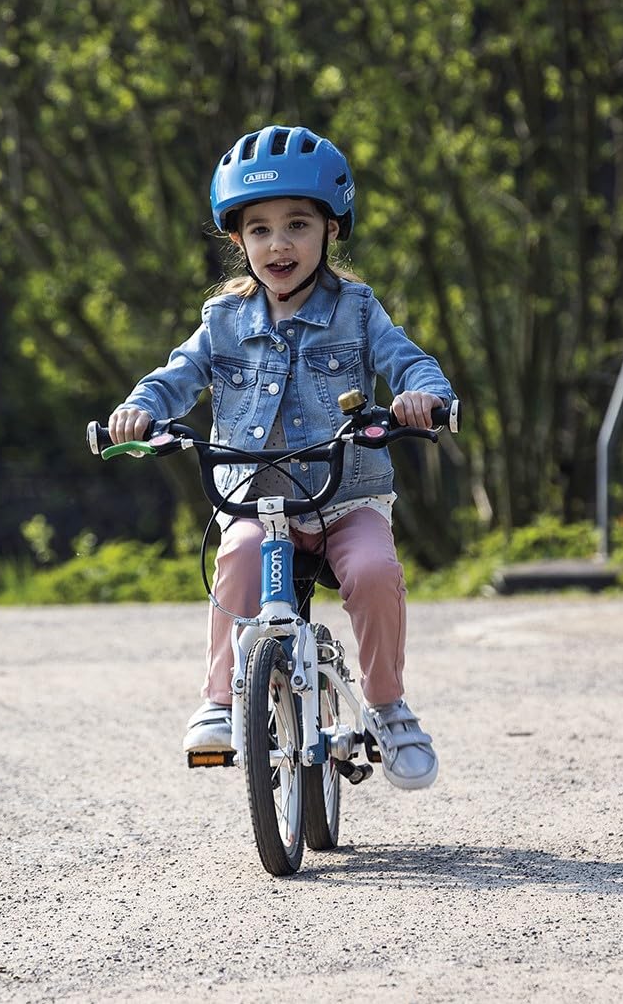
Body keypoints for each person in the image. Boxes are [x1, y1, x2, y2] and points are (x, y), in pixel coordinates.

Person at [107, 124, 455, 791]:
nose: (279, 243)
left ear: (331, 230)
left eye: (297, 223)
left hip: (345, 497)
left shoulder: (356, 310)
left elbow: (407, 361)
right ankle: (217, 699)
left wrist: (422, 396)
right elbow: (176, 376)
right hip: (254, 501)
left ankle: (388, 705)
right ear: (236, 240)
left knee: (376, 568)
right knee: (234, 555)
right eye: (260, 228)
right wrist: (142, 408)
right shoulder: (222, 320)